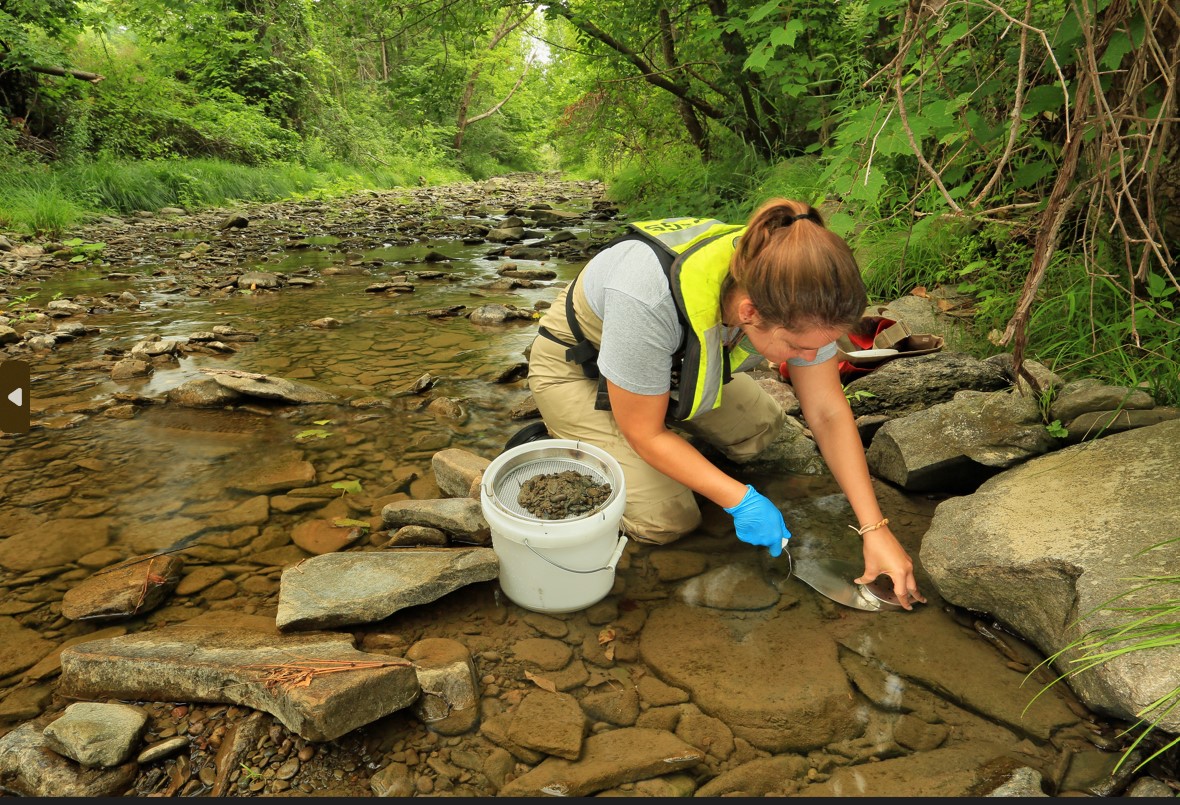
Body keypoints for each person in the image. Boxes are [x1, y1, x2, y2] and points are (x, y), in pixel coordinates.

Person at [526, 198, 926, 610]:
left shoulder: (803, 297)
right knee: (668, 519)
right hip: (577, 368)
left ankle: (663, 422)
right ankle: (565, 434)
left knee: (762, 432)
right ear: (749, 312)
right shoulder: (645, 293)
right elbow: (643, 433)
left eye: (820, 348)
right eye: (797, 348)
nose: (809, 359)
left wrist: (874, 528)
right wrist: (741, 499)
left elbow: (825, 410)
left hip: (674, 367)